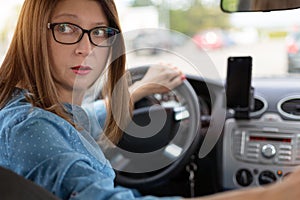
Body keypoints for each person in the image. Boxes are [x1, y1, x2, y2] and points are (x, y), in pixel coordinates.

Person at [1, 0, 300, 200]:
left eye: (100, 32)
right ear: (33, 32)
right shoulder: (31, 127)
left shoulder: (45, 111)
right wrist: (279, 192)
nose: (87, 47)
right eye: (67, 28)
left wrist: (142, 89)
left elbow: (91, 118)